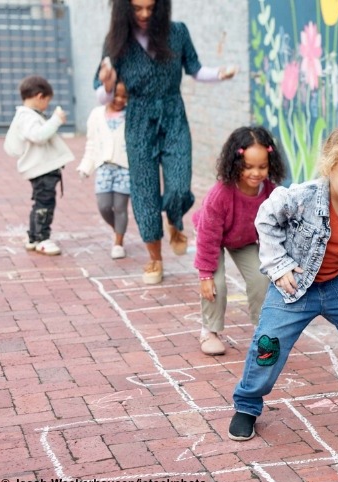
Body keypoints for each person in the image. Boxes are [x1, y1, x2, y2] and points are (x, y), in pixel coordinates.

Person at [228, 124, 338, 441]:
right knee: (268, 344)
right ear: (330, 167)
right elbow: (265, 219)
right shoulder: (302, 197)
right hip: (295, 286)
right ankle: (247, 404)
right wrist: (280, 265)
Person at [95, 0, 237, 284]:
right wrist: (108, 83)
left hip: (173, 115)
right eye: (137, 8)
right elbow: (103, 96)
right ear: (125, 8)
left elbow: (195, 69)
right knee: (144, 190)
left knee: (179, 184)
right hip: (138, 119)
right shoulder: (115, 41)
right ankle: (155, 260)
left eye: (151, 7)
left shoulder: (178, 32)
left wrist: (219, 73)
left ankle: (174, 218)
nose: (145, 14)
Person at [192, 126, 286, 356]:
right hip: (213, 237)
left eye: (262, 166)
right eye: (248, 167)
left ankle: (262, 329)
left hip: (244, 239)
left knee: (261, 278)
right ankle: (209, 331)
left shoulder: (270, 191)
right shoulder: (221, 194)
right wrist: (205, 275)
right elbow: (207, 238)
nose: (256, 173)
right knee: (216, 284)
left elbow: (277, 227)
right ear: (236, 163)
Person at [3, 75, 75, 256]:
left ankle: (33, 237)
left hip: (42, 168)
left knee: (40, 202)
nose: (47, 106)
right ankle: (42, 238)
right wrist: (56, 119)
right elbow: (39, 136)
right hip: (41, 169)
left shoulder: (28, 115)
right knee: (45, 203)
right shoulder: (27, 117)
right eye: (47, 101)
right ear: (39, 96)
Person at [77, 80, 131, 259]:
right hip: (104, 167)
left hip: (126, 167)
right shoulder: (96, 115)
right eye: (116, 94)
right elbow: (91, 143)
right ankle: (118, 228)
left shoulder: (131, 114)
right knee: (104, 206)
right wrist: (86, 166)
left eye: (125, 96)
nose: (120, 99)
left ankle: (118, 242)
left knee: (120, 206)